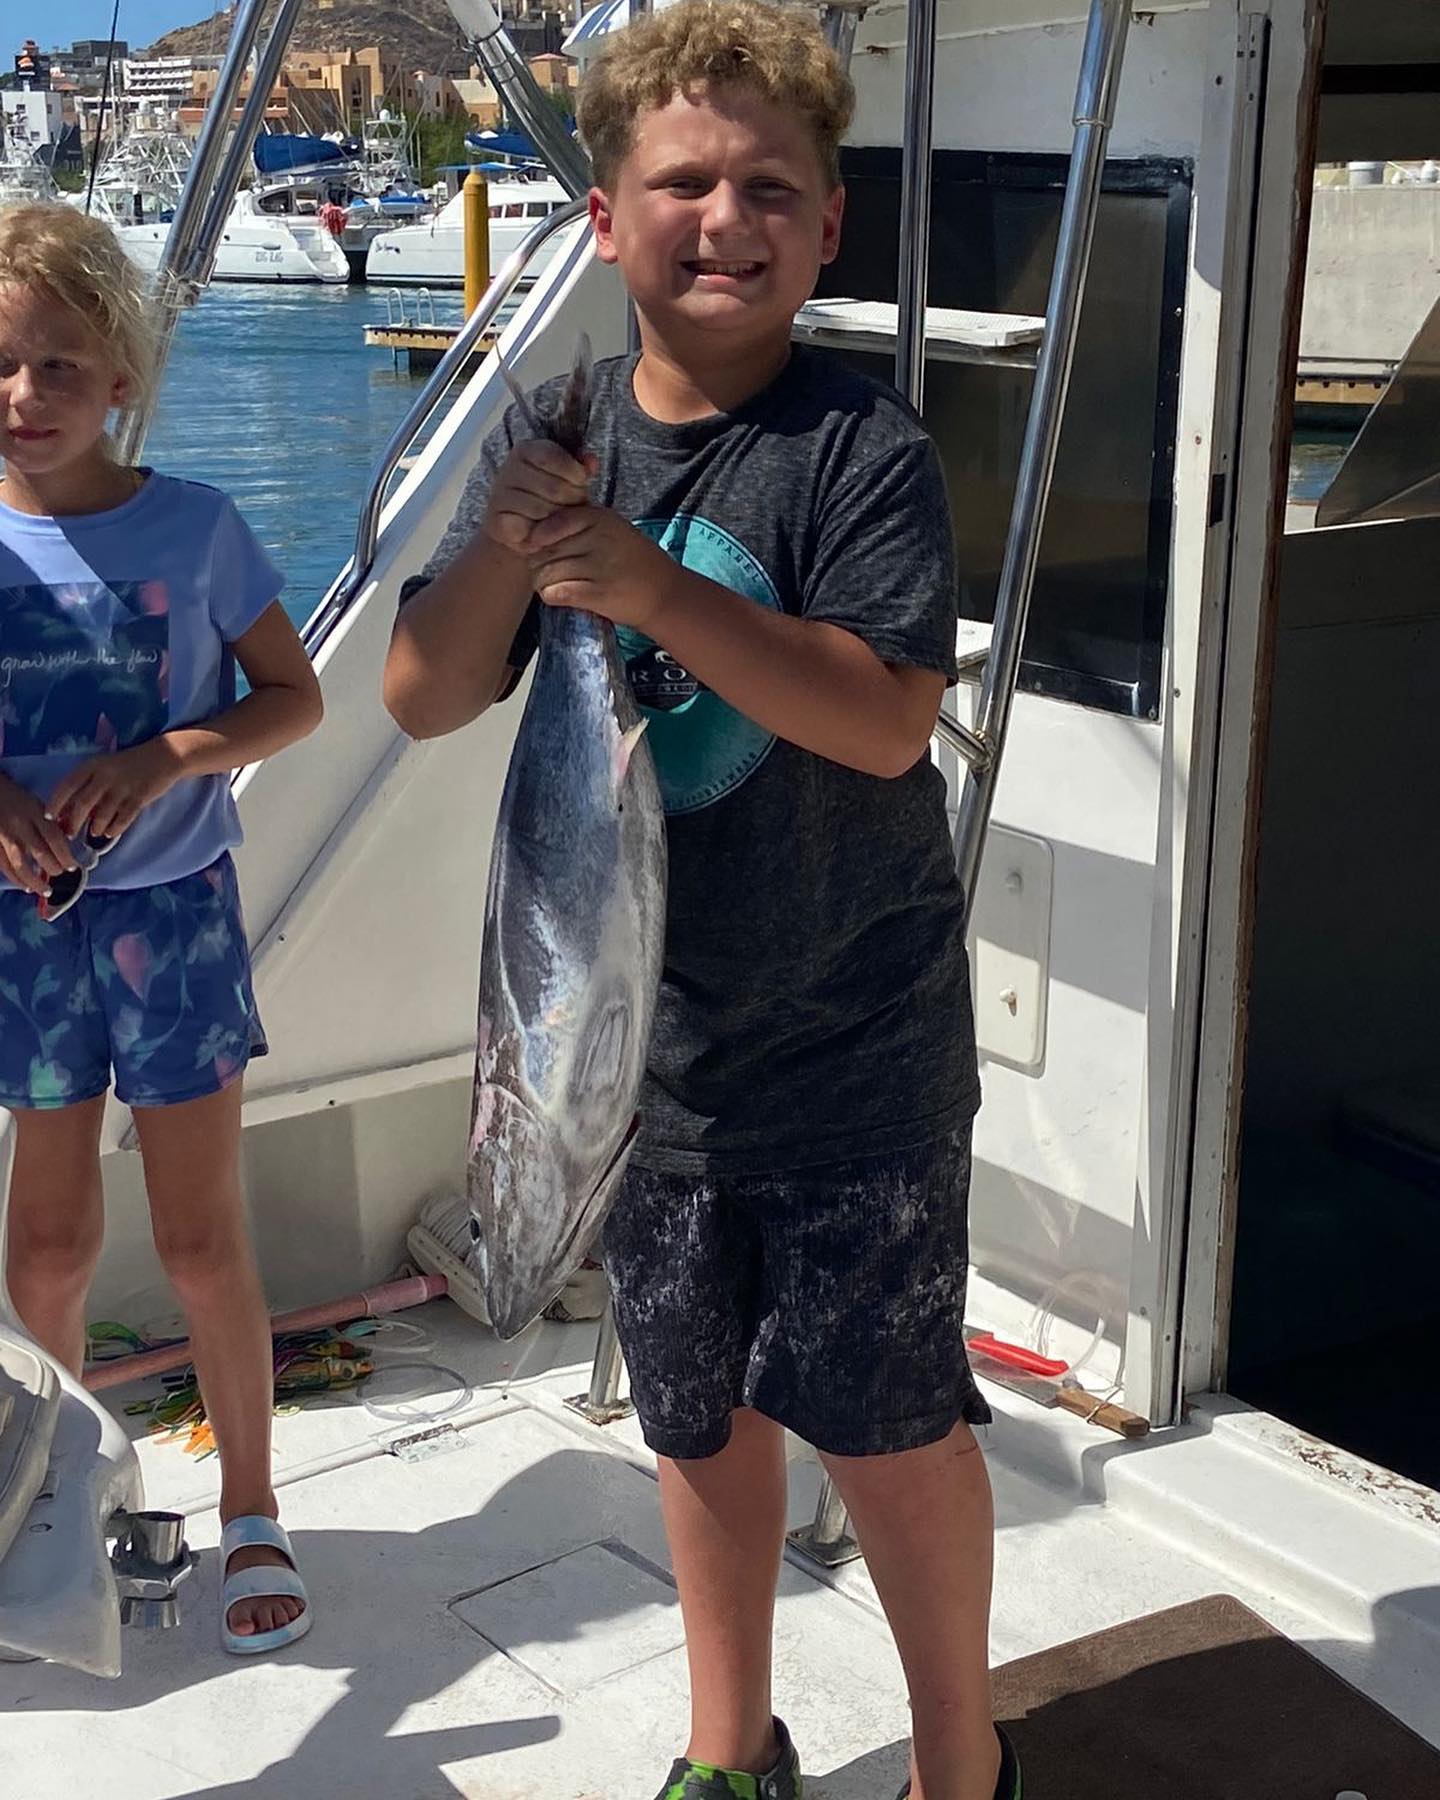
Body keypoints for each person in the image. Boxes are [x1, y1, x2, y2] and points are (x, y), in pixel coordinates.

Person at [384, 5, 1015, 1795]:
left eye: (767, 186)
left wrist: (648, 589)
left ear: (829, 230)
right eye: (681, 180)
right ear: (605, 218)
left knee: (892, 1436)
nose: (722, 215)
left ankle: (962, 1766)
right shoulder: (559, 436)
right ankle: (731, 1747)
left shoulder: (859, 451)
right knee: (695, 1419)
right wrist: (521, 546)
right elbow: (423, 695)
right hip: (649, 1082)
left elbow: (886, 723)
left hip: (856, 1063)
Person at [0, 204, 323, 1655]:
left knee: (201, 1242)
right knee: (48, 1244)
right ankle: (43, 1502)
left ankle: (251, 1507)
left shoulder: (194, 526)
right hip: (30, 937)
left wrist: (170, 756)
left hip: (173, 923)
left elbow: (292, 697)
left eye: (59, 367)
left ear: (120, 377)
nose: (25, 397)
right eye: (1, 366)